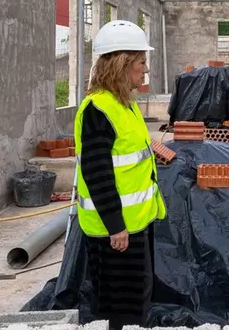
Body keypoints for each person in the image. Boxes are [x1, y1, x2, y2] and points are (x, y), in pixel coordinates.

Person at [74, 20, 167, 330]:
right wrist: (116, 227)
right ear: (122, 64)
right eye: (141, 62)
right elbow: (97, 174)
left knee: (136, 302)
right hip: (115, 233)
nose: (145, 69)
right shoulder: (98, 110)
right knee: (121, 309)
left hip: (134, 223)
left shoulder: (122, 104)